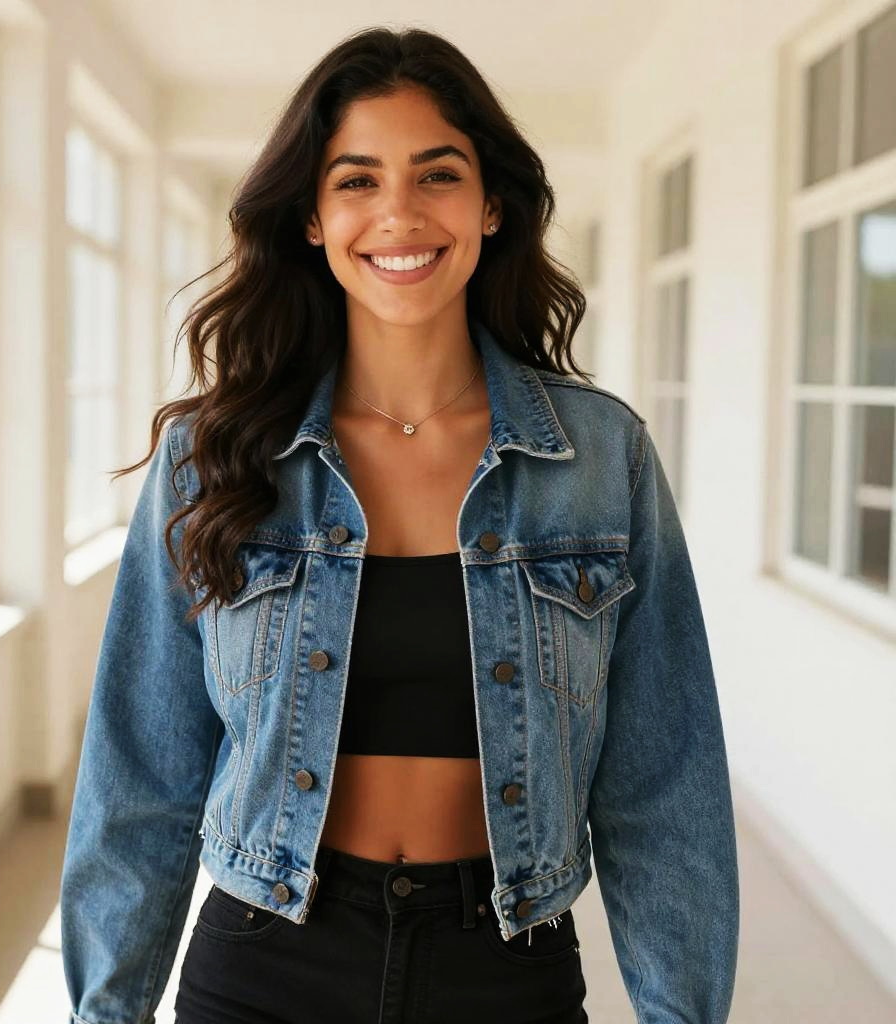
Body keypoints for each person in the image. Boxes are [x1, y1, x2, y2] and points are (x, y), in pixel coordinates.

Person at [59, 25, 739, 1024]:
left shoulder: (600, 457)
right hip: (262, 963)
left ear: (491, 204)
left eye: (437, 174)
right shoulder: (214, 456)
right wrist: (106, 1010)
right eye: (356, 180)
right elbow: (140, 772)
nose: (399, 212)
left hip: (506, 972)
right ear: (311, 216)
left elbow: (663, 786)